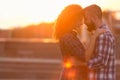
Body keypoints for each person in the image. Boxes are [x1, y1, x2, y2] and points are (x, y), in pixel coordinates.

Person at [54, 4, 105, 80]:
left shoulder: (70, 35)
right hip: (74, 76)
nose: (82, 23)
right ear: (72, 19)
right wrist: (94, 38)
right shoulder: (68, 37)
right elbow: (85, 57)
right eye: (80, 19)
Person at [83, 4, 116, 80]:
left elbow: (101, 61)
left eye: (86, 19)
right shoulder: (98, 34)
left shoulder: (103, 35)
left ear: (94, 18)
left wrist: (79, 64)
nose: (84, 22)